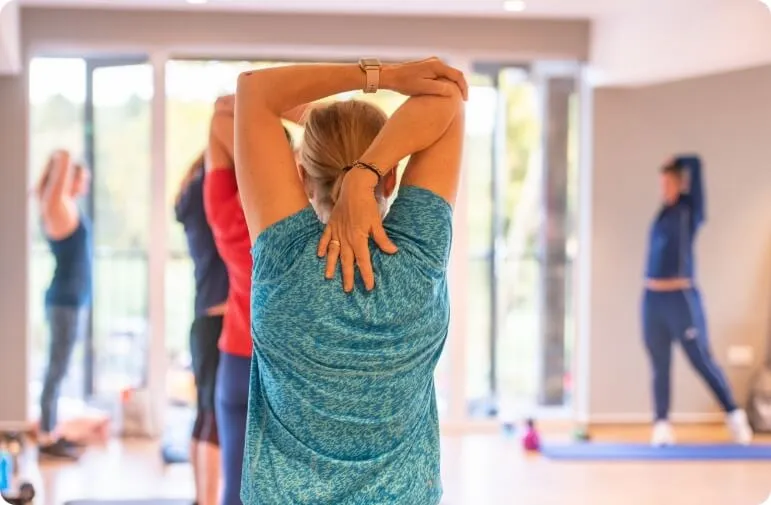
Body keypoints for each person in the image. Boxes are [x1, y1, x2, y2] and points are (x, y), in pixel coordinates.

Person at [234, 58, 467, 504]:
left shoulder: (284, 258)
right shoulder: (419, 259)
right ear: (394, 175)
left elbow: (254, 92)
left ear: (302, 176)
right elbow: (448, 97)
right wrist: (367, 173)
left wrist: (382, 76)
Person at [204, 94, 296, 505]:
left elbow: (218, 119)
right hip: (285, 363)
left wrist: (250, 110)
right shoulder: (297, 213)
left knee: (235, 489)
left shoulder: (224, 207)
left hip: (237, 360)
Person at [643, 155, 754, 446]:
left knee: (700, 359)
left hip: (681, 298)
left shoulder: (689, 211)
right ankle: (662, 424)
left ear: (680, 185)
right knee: (659, 363)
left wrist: (678, 161)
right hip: (652, 299)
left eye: (669, 183)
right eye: (661, 183)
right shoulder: (662, 215)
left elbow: (696, 163)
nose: (664, 188)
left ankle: (734, 415)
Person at [175, 151, 229, 505]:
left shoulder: (191, 192)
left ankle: (201, 498)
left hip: (204, 318)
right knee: (211, 415)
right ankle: (207, 500)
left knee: (204, 413)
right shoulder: (210, 191)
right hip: (219, 317)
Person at [34, 150, 92, 461]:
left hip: (69, 302)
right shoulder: (55, 205)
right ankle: (45, 437)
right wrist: (62, 160)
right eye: (81, 178)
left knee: (60, 369)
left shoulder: (65, 207)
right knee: (55, 370)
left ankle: (51, 431)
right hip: (63, 303)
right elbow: (61, 170)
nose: (86, 183)